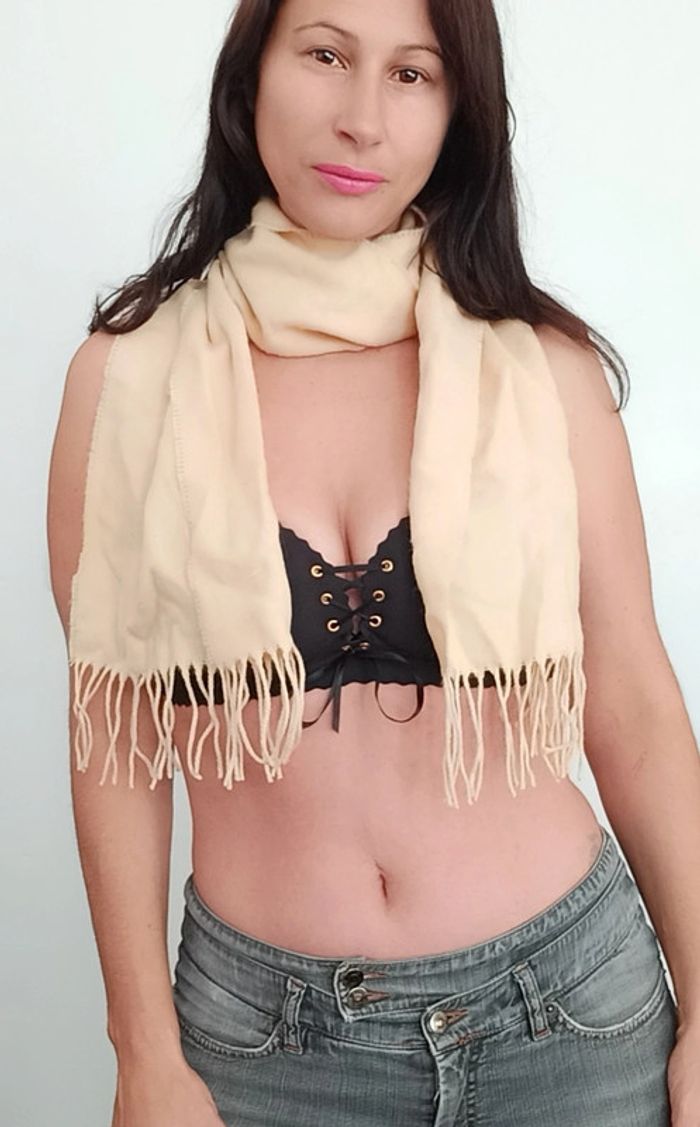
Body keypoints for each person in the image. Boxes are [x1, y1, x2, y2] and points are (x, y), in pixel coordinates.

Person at [46, 1, 700, 1124]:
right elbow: (117, 738)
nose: (362, 118)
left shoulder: (543, 370)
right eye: (325, 54)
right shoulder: (127, 381)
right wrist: (141, 1046)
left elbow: (633, 704)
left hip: (569, 1013)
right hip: (264, 1041)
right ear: (253, 75)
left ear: (457, 110)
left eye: (412, 74)